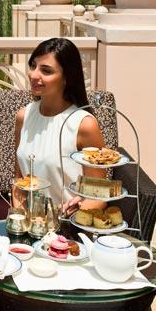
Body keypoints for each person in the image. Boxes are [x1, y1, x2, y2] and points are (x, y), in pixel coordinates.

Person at [14, 37, 107, 216]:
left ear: (67, 78)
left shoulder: (84, 125)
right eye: (33, 65)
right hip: (31, 225)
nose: (33, 75)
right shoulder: (23, 116)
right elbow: (19, 181)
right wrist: (20, 220)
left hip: (69, 228)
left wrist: (73, 215)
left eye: (46, 71)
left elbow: (98, 195)